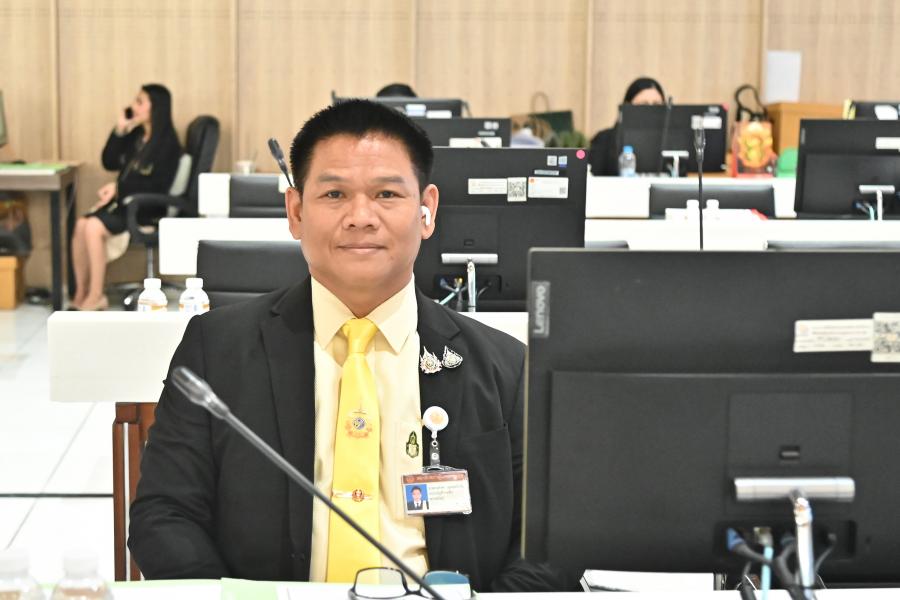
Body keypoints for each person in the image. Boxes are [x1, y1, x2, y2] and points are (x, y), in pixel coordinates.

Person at [129, 99, 574, 592]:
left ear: (427, 210)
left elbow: (549, 540)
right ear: (296, 212)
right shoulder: (217, 350)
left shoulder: (504, 366)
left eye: (386, 194)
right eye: (335, 194)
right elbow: (164, 515)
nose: (361, 217)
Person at [70, 84, 182, 310]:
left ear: (156, 108)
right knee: (81, 224)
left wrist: (119, 188)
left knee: (93, 227)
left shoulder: (168, 145)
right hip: (125, 204)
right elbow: (109, 161)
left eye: (140, 102)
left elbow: (158, 186)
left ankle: (96, 295)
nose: (133, 106)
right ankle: (81, 293)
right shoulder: (137, 136)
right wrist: (119, 130)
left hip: (146, 208)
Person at [588, 77, 666, 176]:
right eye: (643, 104)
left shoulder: (671, 141)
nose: (650, 110)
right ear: (627, 106)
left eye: (656, 104)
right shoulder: (604, 140)